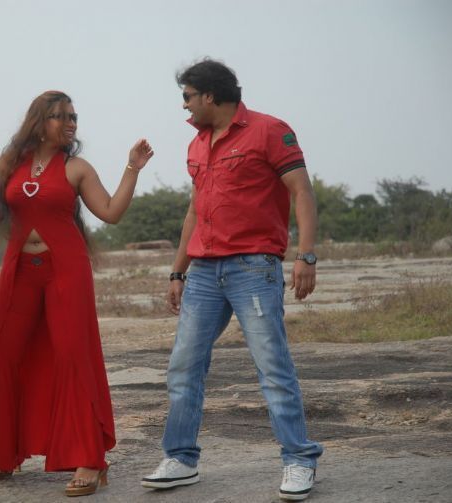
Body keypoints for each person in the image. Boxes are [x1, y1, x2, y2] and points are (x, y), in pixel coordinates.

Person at [141, 59, 323, 501]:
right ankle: (181, 458)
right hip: (204, 272)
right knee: (184, 365)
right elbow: (194, 210)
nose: (184, 105)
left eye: (187, 96)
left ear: (209, 95)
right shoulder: (197, 143)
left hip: (253, 268)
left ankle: (299, 459)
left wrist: (306, 256)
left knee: (272, 366)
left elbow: (301, 191)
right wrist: (178, 271)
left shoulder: (269, 130)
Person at [0, 90, 153, 497]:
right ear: (39, 122)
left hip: (66, 271)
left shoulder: (76, 168)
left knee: (72, 355)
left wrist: (132, 168)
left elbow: (111, 212)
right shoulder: (8, 163)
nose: (70, 123)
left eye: (73, 117)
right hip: (19, 271)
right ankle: (6, 452)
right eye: (60, 116)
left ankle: (90, 460)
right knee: (3, 353)